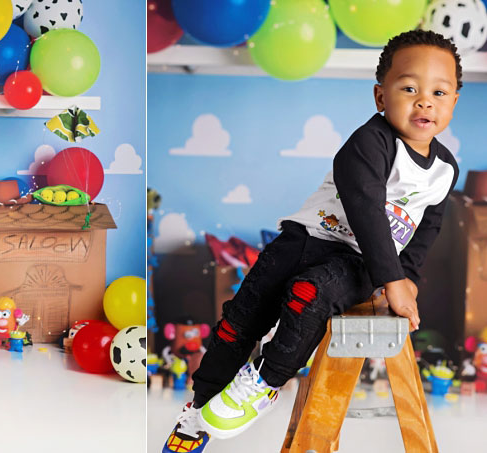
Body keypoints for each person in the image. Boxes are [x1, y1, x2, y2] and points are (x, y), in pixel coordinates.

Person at [163, 29, 461, 452]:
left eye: (439, 92)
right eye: (409, 88)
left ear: (453, 101)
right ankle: (201, 403)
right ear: (381, 97)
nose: (424, 101)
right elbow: (365, 207)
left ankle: (266, 380)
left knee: (309, 293)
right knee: (238, 321)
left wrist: (404, 277)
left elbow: (428, 226)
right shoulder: (369, 143)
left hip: (358, 263)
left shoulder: (444, 171)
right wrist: (394, 277)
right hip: (303, 239)